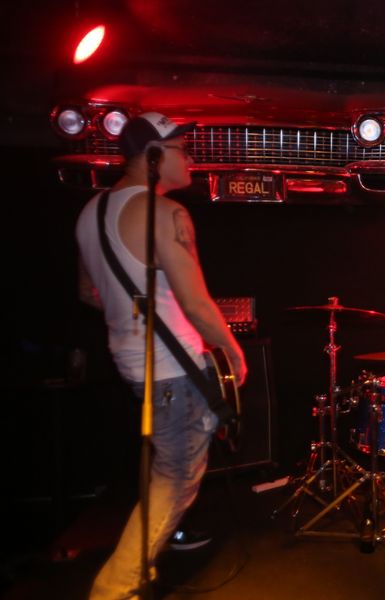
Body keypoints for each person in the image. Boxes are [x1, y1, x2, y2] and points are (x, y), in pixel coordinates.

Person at [76, 112, 248, 599]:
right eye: (182, 150)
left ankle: (140, 567)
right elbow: (196, 304)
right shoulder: (167, 213)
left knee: (167, 473)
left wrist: (135, 306)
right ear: (153, 156)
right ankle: (114, 588)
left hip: (134, 366)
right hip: (175, 371)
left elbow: (88, 293)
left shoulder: (90, 212)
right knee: (175, 481)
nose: (190, 158)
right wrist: (232, 351)